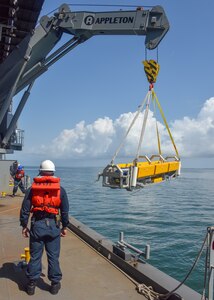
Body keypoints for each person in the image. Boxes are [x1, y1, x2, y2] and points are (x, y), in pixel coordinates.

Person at [19, 160, 69, 295]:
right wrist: (65, 226)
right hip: (53, 226)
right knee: (53, 256)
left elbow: (24, 209)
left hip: (37, 225)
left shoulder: (32, 189)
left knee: (35, 256)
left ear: (40, 171)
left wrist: (24, 226)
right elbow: (65, 211)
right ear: (53, 172)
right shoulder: (60, 190)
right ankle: (54, 284)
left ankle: (31, 286)